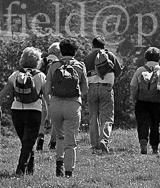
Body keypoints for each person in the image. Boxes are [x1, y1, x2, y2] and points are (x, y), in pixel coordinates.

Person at [0, 47, 46, 176]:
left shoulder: (15, 75)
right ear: (37, 61)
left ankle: (30, 171)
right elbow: (48, 98)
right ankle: (20, 171)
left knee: (26, 142)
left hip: (17, 111)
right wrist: (49, 114)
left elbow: (1, 95)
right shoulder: (40, 76)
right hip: (34, 111)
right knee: (28, 142)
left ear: (22, 59)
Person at [43, 38, 88, 177]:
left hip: (55, 104)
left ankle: (59, 165)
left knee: (60, 137)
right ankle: (69, 171)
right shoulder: (80, 66)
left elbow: (47, 89)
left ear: (61, 51)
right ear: (75, 51)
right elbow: (85, 89)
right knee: (71, 140)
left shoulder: (54, 65)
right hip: (73, 105)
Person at [82, 36, 123, 153]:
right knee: (107, 117)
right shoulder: (110, 55)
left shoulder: (87, 58)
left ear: (92, 45)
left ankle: (95, 145)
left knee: (93, 117)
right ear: (104, 45)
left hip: (92, 88)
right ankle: (104, 140)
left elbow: (83, 76)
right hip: (106, 88)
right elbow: (119, 71)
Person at [129, 47, 160, 155]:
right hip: (157, 102)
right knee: (155, 124)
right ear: (159, 58)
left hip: (142, 101)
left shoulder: (140, 70)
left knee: (142, 123)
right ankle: (155, 147)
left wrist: (134, 98)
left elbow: (133, 86)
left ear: (146, 57)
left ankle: (143, 142)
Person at [36, 42, 61, 151]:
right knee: (56, 119)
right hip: (54, 94)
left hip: (42, 93)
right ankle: (53, 142)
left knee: (42, 119)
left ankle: (40, 139)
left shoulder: (42, 61)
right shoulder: (59, 63)